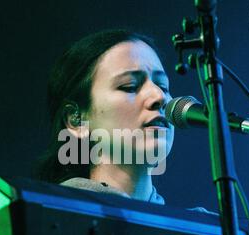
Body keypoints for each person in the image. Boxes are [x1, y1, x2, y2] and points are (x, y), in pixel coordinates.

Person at [35, 29, 175, 205]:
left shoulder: (203, 226)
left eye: (163, 86)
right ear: (75, 120)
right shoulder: (49, 215)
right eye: (129, 86)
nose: (159, 96)